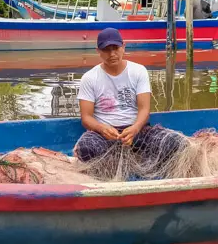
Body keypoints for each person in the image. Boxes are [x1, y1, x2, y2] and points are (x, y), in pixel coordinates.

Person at [74, 28, 182, 170]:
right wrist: (102, 129)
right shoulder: (89, 78)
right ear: (98, 51)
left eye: (116, 48)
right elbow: (86, 117)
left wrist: (135, 128)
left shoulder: (138, 71)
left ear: (123, 47)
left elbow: (144, 109)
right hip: (104, 135)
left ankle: (138, 160)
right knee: (86, 148)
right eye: (106, 50)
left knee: (174, 142)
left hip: (136, 131)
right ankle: (116, 162)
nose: (112, 54)